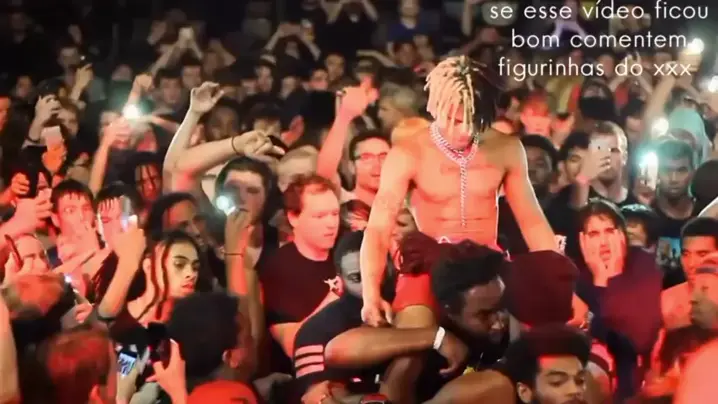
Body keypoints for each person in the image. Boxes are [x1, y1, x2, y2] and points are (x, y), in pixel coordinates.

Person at [359, 55, 560, 327]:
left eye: (472, 120)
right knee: (413, 336)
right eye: (454, 120)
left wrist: (560, 283)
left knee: (531, 334)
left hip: (487, 264)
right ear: (435, 108)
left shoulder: (507, 148)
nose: (464, 130)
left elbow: (532, 222)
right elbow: (378, 228)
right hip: (431, 265)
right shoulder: (409, 152)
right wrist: (370, 295)